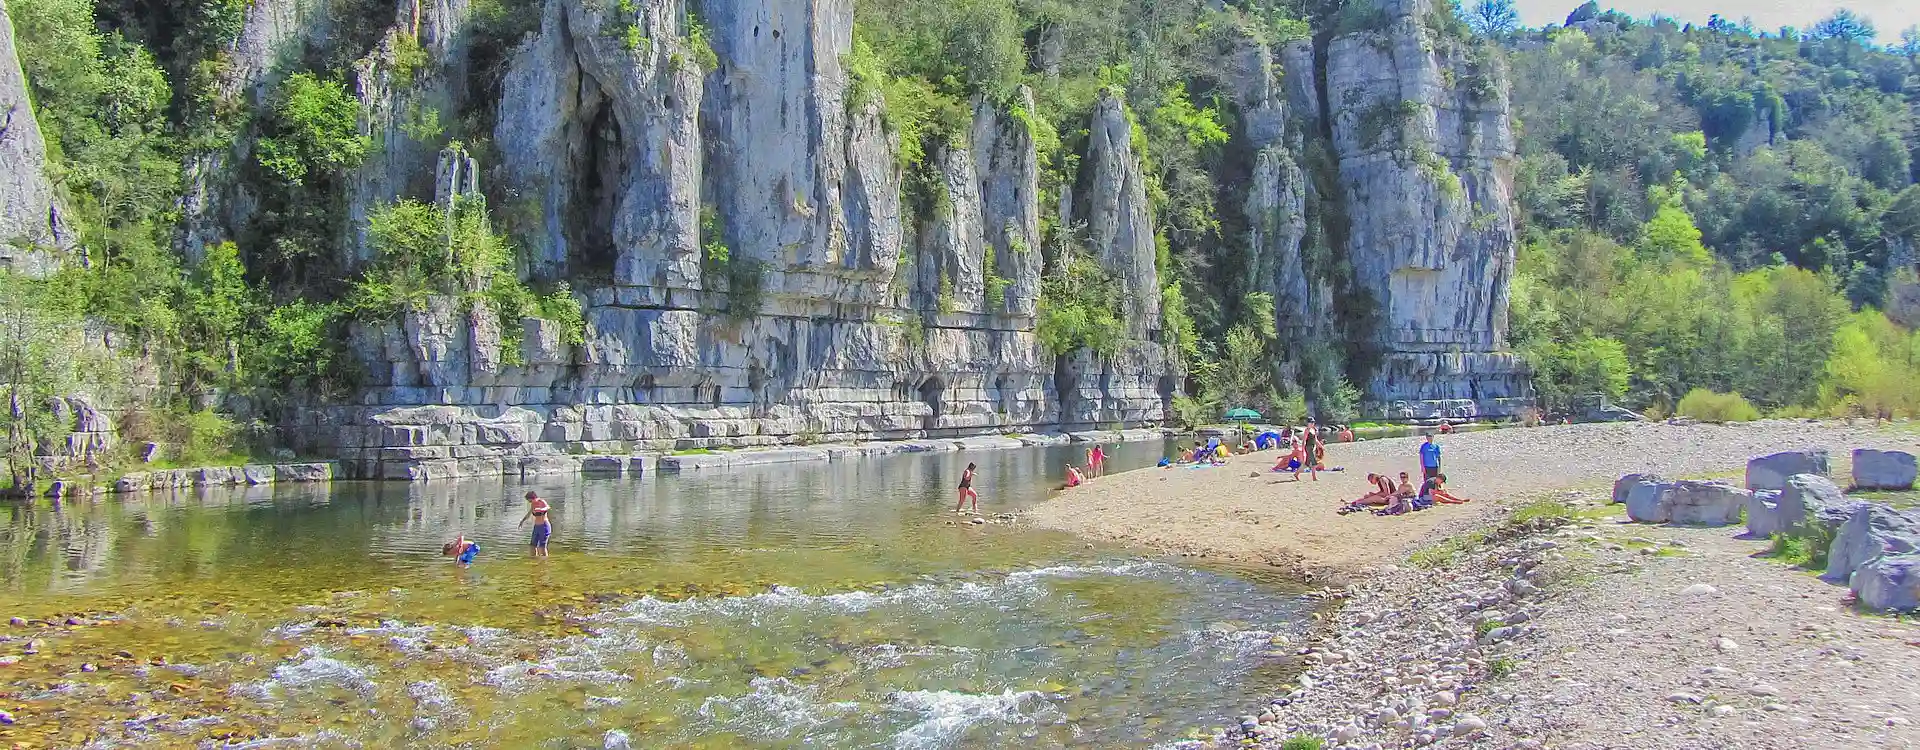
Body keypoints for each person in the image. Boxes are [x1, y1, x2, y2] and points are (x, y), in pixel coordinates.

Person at [518, 491, 552, 557]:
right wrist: (522, 521)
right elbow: (529, 514)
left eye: (529, 500)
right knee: (532, 546)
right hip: (536, 527)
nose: (528, 502)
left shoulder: (541, 501)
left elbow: (548, 507)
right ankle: (533, 561)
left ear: (532, 498)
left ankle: (544, 562)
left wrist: (541, 509)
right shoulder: (533, 504)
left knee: (542, 547)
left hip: (544, 526)